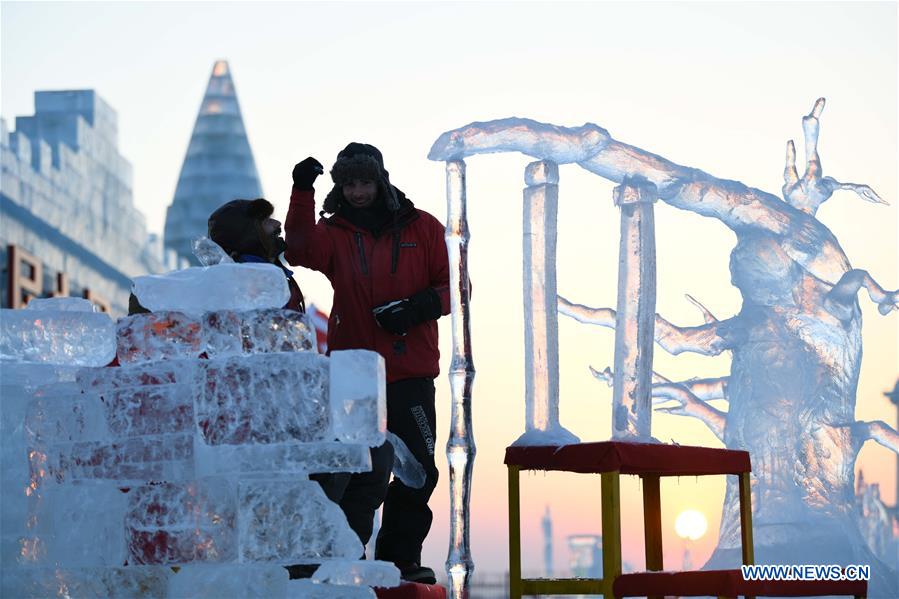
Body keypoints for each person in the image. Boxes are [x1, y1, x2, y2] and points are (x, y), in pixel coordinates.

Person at [285, 143, 449, 585]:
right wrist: (302, 191)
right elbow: (298, 250)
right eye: (349, 184)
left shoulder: (425, 228)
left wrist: (415, 308)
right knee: (346, 467)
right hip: (352, 372)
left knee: (420, 468)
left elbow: (455, 288)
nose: (357, 192)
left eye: (364, 182)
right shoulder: (334, 232)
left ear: (381, 180)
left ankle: (399, 560)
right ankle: (334, 556)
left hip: (409, 372)